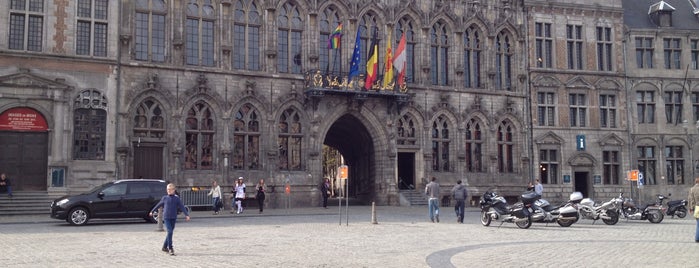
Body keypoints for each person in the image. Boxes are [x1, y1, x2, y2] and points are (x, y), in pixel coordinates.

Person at [149, 183, 190, 256]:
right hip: (166, 217)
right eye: (167, 189)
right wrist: (152, 211)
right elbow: (158, 205)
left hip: (173, 217)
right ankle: (170, 248)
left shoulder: (176, 198)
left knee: (169, 233)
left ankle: (164, 247)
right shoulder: (164, 198)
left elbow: (182, 206)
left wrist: (186, 215)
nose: (169, 191)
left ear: (174, 190)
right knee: (170, 231)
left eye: (170, 189)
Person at [688, 177, 699, 243]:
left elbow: (690, 199)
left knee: (698, 223)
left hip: (696, 208)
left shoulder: (692, 189)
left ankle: (697, 238)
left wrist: (691, 208)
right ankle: (697, 238)